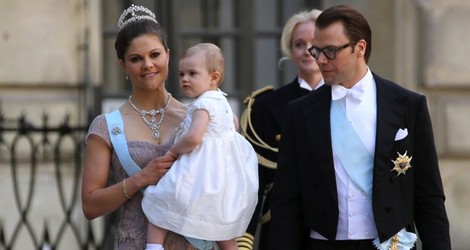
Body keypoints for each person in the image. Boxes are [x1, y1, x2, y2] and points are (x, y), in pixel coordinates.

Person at [269, 4, 451, 250]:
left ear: (360, 48)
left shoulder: (408, 105)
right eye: (317, 50)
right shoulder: (300, 112)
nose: (320, 60)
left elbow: (428, 197)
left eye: (331, 51)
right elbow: (286, 201)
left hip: (391, 245)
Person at [81, 4, 204, 249]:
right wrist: (139, 179)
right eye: (136, 59)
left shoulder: (195, 117)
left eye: (154, 55)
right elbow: (90, 206)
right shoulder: (107, 127)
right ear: (123, 65)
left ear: (168, 55)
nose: (147, 64)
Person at [142, 43, 259, 250]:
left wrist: (174, 149)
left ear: (214, 77)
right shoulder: (222, 101)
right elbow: (234, 126)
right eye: (181, 74)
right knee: (221, 230)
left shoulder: (202, 105)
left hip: (197, 175)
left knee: (159, 203)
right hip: (220, 181)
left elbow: (194, 138)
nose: (185, 79)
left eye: (192, 73)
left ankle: (153, 247)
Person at [238, 8, 322, 250]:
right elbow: (253, 181)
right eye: (299, 44)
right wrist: (245, 237)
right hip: (284, 229)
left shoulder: (348, 101)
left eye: (315, 43)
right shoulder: (266, 106)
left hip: (338, 230)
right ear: (290, 51)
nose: (307, 50)